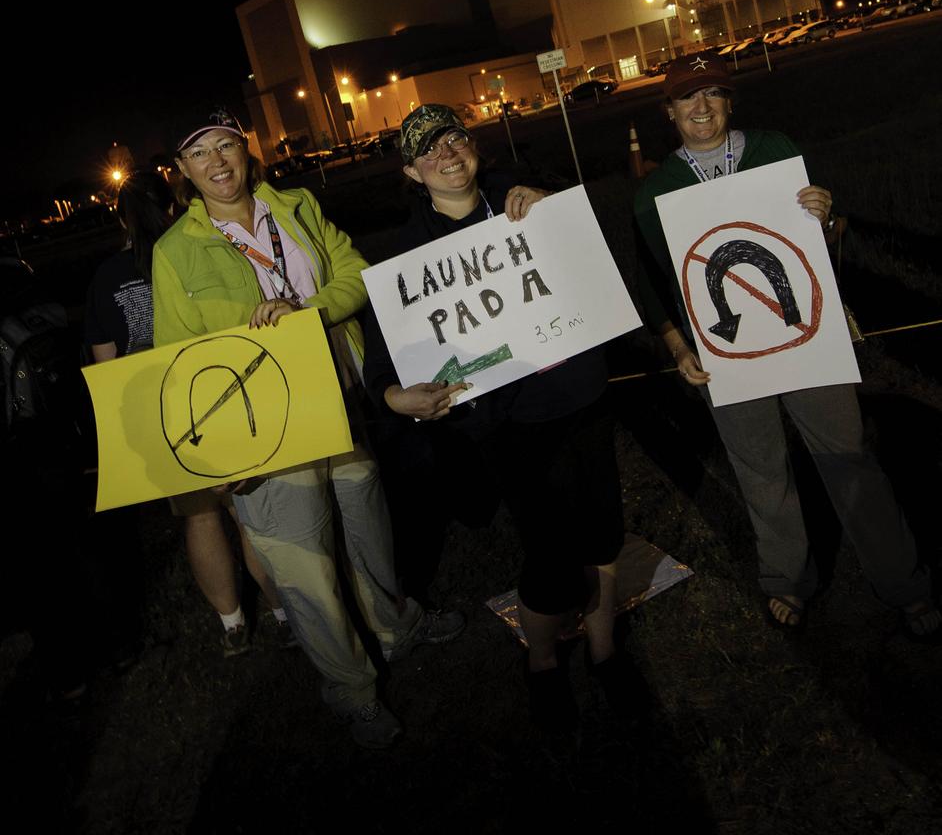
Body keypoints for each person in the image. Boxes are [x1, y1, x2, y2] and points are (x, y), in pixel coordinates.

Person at [151, 106, 463, 748]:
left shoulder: (294, 206)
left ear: (245, 150)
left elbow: (353, 275)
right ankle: (352, 690)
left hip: (341, 401)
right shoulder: (174, 252)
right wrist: (226, 456)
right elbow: (177, 360)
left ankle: (394, 628)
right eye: (200, 153)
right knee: (304, 564)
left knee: (367, 523)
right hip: (265, 429)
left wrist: (304, 310)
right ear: (182, 171)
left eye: (226, 147)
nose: (217, 162)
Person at [633, 51, 938, 637]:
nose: (702, 107)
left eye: (714, 94)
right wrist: (677, 348)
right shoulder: (655, 192)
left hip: (803, 338)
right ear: (668, 110)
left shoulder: (775, 149)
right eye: (688, 98)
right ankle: (787, 579)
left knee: (848, 456)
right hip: (729, 353)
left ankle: (904, 582)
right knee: (761, 470)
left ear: (730, 102)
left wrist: (824, 214)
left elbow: (813, 239)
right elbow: (653, 283)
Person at [363, 104, 628, 729]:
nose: (447, 154)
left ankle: (605, 651)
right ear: (410, 171)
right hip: (508, 425)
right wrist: (395, 398)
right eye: (428, 151)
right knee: (554, 561)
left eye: (454, 138)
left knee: (603, 533)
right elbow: (381, 366)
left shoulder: (526, 203)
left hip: (582, 394)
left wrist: (551, 207)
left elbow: (593, 263)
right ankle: (540, 662)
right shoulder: (405, 260)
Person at [86, 169, 286, 659]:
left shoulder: (107, 277)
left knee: (199, 518)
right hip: (224, 390)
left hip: (165, 408)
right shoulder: (190, 250)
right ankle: (286, 611)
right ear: (176, 202)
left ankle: (232, 623)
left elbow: (106, 363)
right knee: (250, 513)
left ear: (121, 217)